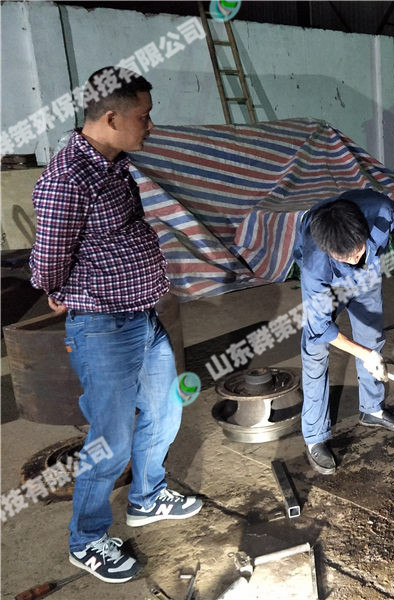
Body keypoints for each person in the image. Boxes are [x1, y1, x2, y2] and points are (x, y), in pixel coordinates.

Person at [29, 66, 202, 583]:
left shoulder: (114, 164)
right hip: (104, 326)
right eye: (143, 117)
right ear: (111, 117)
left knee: (166, 410)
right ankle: (85, 539)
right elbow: (46, 265)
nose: (151, 125)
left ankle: (147, 497)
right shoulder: (66, 179)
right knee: (110, 440)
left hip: (142, 317)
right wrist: (63, 291)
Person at [293, 189, 394, 474]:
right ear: (330, 252)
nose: (354, 260)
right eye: (346, 258)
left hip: (367, 279)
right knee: (316, 353)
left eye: (358, 251)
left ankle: (372, 409)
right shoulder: (315, 265)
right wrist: (365, 355)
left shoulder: (381, 211)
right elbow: (320, 327)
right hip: (330, 289)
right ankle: (315, 437)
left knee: (372, 336)